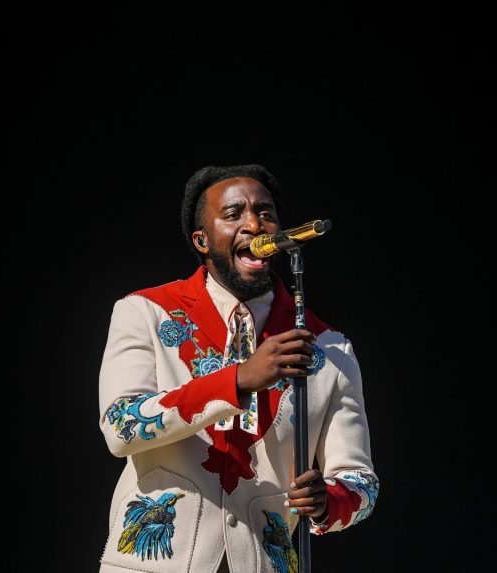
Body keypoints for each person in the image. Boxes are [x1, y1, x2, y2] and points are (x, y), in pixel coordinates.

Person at [97, 164, 378, 573]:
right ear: (202, 240)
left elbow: (361, 482)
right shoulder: (146, 312)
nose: (254, 224)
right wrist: (238, 380)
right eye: (233, 214)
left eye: (265, 213)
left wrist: (328, 500)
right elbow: (120, 427)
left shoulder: (329, 348)